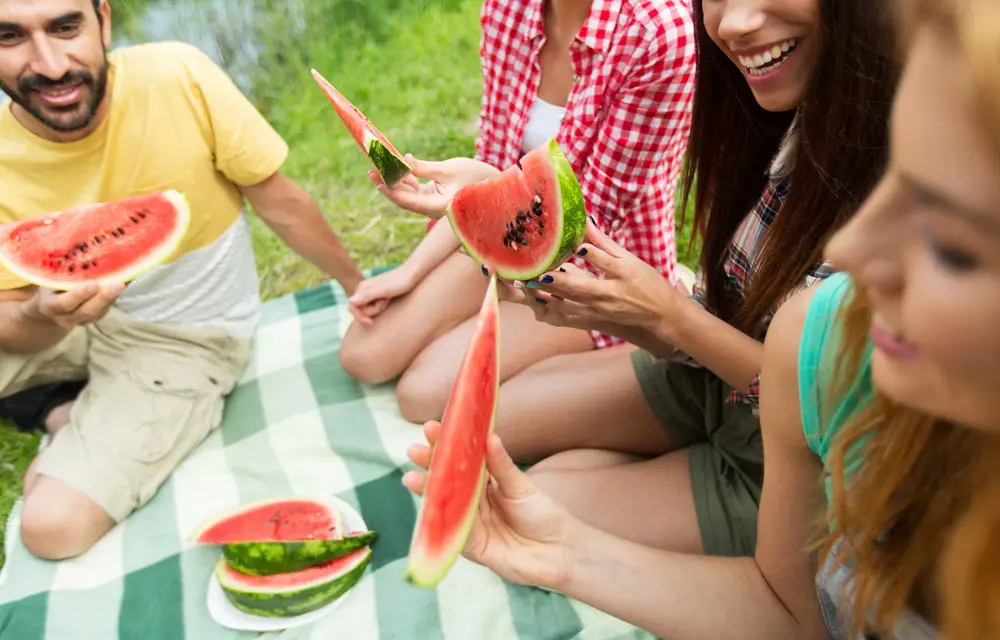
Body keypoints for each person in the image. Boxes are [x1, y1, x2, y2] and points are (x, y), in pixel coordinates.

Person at [402, 0, 1000, 635]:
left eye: (951, 242)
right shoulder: (781, 124)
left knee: (552, 484)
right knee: (502, 447)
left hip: (766, 426)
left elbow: (803, 387)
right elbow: (793, 613)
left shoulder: (841, 356)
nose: (735, 22)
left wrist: (668, 319)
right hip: (718, 379)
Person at [0, 0, 364, 560]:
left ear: (105, 18)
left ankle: (71, 412)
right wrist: (38, 315)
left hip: (186, 338)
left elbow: (282, 202)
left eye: (66, 26)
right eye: (9, 36)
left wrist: (356, 285)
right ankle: (59, 408)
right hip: (62, 324)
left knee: (50, 527)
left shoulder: (178, 75)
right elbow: (13, 322)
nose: (49, 65)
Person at [337, 0, 698, 424]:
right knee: (364, 353)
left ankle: (655, 317)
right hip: (503, 233)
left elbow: (594, 215)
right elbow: (491, 160)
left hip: (593, 270)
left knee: (420, 394)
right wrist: (411, 272)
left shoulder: (661, 32)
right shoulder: (509, 6)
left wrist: (477, 189)